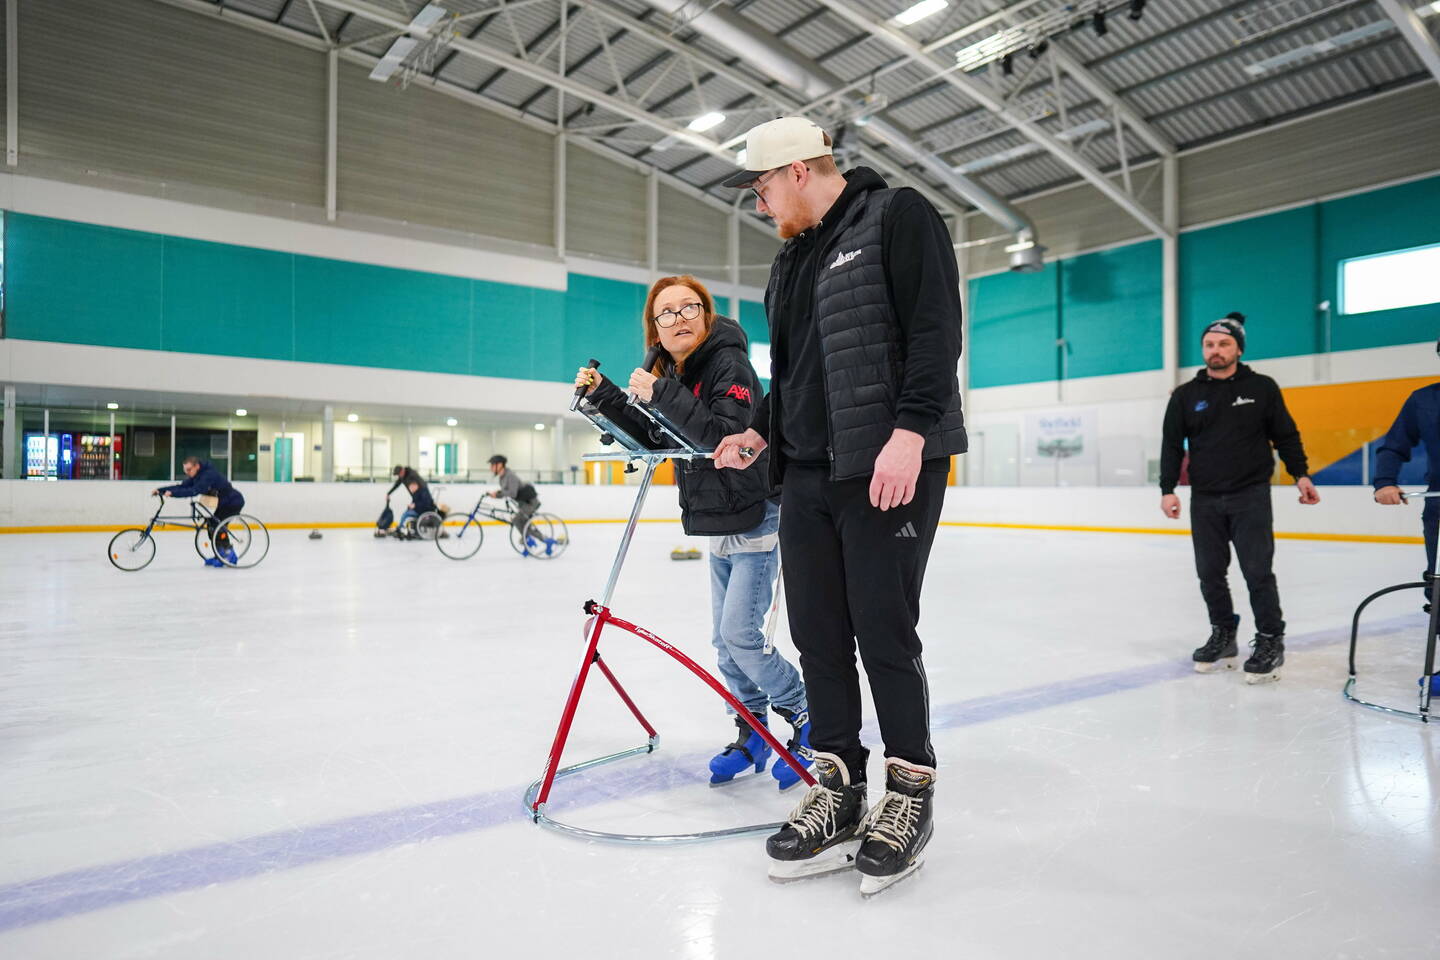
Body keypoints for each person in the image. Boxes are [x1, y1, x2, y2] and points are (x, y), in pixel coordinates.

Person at [712, 116, 966, 896]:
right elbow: (792, 378)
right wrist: (761, 434)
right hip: (810, 475)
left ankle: (910, 791)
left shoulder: (897, 216)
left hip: (888, 462)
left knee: (884, 631)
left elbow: (935, 330)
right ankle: (840, 786)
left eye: (760, 189)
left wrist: (911, 433)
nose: (760, 207)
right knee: (819, 636)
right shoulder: (788, 264)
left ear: (795, 171)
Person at [574, 274, 812, 791]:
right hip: (718, 516)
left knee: (741, 637)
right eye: (666, 313)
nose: (678, 319)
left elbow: (725, 439)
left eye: (688, 308)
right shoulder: (669, 369)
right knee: (726, 645)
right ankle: (752, 732)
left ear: (705, 315)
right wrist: (606, 396)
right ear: (654, 329)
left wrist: (660, 391)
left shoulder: (730, 363)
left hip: (754, 511)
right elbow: (658, 437)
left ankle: (807, 715)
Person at [1160, 312, 1320, 683]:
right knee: (1209, 573)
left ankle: (1269, 639)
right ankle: (1224, 634)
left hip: (1250, 495)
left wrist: (1301, 474)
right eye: (1209, 344)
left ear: (1238, 348)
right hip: (1205, 498)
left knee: (1257, 572)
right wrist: (1168, 489)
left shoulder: (1262, 387)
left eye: (1223, 344)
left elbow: (1286, 434)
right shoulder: (1186, 395)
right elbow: (1171, 445)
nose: (1215, 350)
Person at [1373, 337, 1440, 596]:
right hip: (1438, 504)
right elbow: (1394, 446)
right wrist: (1385, 482)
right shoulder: (1424, 400)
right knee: (1437, 585)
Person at [153, 457, 245, 567]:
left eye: (189, 470)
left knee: (217, 527)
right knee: (212, 526)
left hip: (233, 501)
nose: (187, 473)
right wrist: (161, 490)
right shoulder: (197, 475)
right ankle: (220, 554)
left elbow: (194, 491)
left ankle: (229, 554)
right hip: (224, 502)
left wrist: (173, 494)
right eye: (185, 470)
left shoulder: (208, 475)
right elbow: (182, 486)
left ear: (197, 466)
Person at [487, 455, 542, 545]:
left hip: (530, 503)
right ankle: (528, 538)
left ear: (500, 465)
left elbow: (512, 493)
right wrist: (496, 495)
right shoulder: (502, 477)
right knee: (519, 521)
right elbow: (506, 492)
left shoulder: (510, 475)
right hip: (523, 503)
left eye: (493, 465)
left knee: (518, 520)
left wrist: (497, 494)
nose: (491, 468)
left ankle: (537, 539)